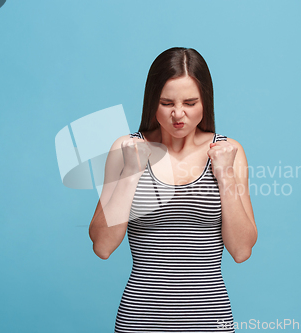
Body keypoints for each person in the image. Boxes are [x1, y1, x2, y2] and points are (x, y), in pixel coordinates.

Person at [89, 47, 257, 332]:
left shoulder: (229, 151)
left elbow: (241, 251)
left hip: (209, 321)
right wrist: (131, 172)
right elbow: (103, 246)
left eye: (190, 102)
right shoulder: (126, 149)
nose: (178, 114)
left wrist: (225, 175)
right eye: (167, 103)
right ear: (152, 101)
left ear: (205, 101)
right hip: (140, 321)